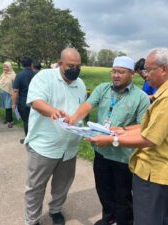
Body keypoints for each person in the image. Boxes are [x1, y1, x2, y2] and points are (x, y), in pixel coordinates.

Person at [86, 48, 168, 225]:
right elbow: (147, 128)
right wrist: (123, 131)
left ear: (163, 69)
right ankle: (110, 218)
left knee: (146, 218)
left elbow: (149, 138)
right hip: (152, 169)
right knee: (157, 217)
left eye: (148, 70)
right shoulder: (165, 94)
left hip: (155, 171)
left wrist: (112, 139)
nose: (145, 74)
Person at [66, 56, 150, 225]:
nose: (116, 75)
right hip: (101, 152)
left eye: (121, 72)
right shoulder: (103, 89)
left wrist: (123, 131)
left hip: (123, 156)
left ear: (131, 74)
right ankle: (108, 217)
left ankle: (124, 221)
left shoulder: (141, 97)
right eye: (114, 71)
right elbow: (88, 106)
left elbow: (143, 128)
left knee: (123, 195)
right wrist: (73, 118)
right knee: (103, 190)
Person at [24, 48, 86, 225]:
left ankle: (56, 210)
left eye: (78, 66)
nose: (75, 69)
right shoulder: (44, 77)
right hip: (44, 146)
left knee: (62, 184)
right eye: (71, 66)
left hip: (69, 147)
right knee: (35, 187)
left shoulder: (80, 84)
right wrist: (52, 111)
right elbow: (36, 101)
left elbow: (81, 110)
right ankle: (32, 220)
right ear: (60, 64)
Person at [12, 57, 35, 144]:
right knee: (34, 119)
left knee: (26, 120)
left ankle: (28, 139)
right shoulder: (35, 74)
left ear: (22, 64)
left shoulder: (20, 75)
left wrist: (13, 103)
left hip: (23, 101)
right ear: (31, 64)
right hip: (35, 100)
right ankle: (35, 138)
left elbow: (15, 90)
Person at [0, 62, 16, 128]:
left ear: (10, 67)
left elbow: (15, 85)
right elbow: (1, 82)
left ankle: (10, 121)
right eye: (4, 67)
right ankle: (7, 119)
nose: (5, 68)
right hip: (3, 92)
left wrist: (13, 93)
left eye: (7, 67)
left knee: (8, 106)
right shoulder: (3, 74)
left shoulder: (13, 75)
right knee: (6, 106)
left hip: (10, 92)